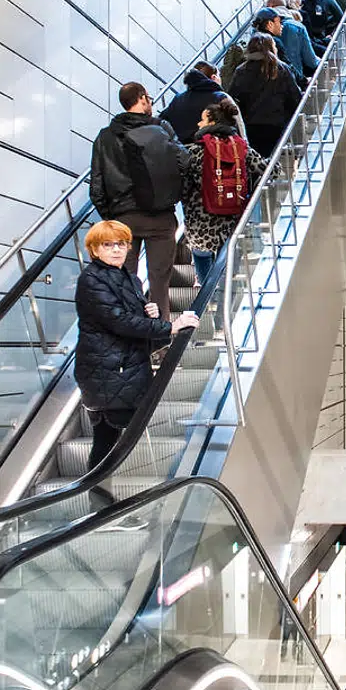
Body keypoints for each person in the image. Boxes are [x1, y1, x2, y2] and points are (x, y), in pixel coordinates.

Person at [74, 220, 199, 468]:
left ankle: (101, 494)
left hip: (124, 368)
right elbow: (118, 321)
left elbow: (130, 323)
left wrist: (150, 315)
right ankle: (96, 494)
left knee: (113, 442)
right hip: (107, 372)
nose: (116, 249)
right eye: (108, 245)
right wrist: (170, 326)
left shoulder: (129, 279)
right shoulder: (91, 280)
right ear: (95, 249)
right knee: (107, 442)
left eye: (121, 244)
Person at [89, 82, 189, 318]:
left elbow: (96, 187)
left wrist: (113, 217)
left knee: (126, 284)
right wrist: (174, 196)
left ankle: (131, 337)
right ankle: (161, 339)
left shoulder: (105, 137)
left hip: (124, 221)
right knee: (159, 284)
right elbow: (184, 161)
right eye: (149, 99)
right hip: (160, 217)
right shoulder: (161, 128)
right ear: (143, 99)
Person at [181, 100, 267, 285]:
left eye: (202, 120)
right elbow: (270, 170)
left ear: (212, 122)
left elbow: (185, 185)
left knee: (201, 254)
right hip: (231, 217)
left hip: (201, 218)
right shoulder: (241, 148)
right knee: (228, 257)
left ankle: (208, 294)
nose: (198, 124)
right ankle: (224, 297)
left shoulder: (196, 150)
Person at [228, 33, 303, 158]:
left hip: (250, 125)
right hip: (277, 124)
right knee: (273, 159)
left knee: (257, 159)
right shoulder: (281, 68)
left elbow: (232, 97)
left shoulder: (241, 70)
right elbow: (295, 97)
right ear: (272, 48)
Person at [160, 61, 224, 144]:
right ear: (214, 77)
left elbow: (162, 121)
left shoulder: (177, 99)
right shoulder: (220, 97)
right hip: (213, 150)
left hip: (184, 151)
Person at [264, 0, 319, 77]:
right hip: (293, 80)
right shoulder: (297, 26)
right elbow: (311, 61)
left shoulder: (259, 29)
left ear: (270, 6)